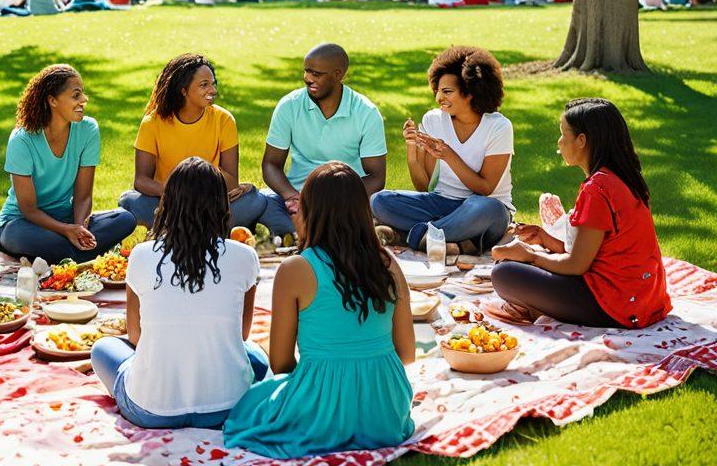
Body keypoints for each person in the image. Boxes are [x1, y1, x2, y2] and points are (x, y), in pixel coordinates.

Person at [224, 162, 415, 457]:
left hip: (321, 412)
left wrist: (327, 379)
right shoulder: (388, 264)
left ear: (312, 211)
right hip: (386, 410)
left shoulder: (295, 269)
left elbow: (281, 363)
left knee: (251, 406)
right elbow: (407, 353)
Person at [91, 157, 269, 428]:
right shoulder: (245, 256)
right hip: (228, 407)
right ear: (223, 206)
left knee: (103, 348)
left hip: (151, 409)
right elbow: (241, 335)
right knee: (255, 354)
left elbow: (136, 335)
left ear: (167, 204)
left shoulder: (141, 255)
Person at [491, 98, 671, 329]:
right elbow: (592, 253)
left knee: (504, 273)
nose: (559, 141)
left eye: (563, 134)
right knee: (519, 265)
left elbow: (576, 265)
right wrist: (544, 239)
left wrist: (530, 255)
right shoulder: (622, 178)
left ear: (582, 140)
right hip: (643, 298)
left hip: (616, 305)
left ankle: (540, 308)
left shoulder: (597, 190)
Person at [371, 46, 513, 256]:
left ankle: (410, 235)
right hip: (441, 204)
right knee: (379, 201)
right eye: (437, 90)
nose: (438, 98)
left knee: (488, 209)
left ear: (471, 92)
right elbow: (424, 188)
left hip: (482, 208)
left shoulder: (498, 127)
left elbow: (485, 188)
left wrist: (448, 155)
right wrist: (412, 150)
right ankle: (456, 240)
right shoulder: (433, 120)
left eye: (447, 91)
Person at [0, 65, 136, 263]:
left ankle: (71, 254)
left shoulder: (88, 130)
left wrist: (79, 229)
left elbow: (83, 195)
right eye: (76, 95)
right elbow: (28, 208)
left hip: (67, 220)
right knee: (36, 240)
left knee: (125, 220)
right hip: (22, 222)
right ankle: (77, 255)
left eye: (82, 94)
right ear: (52, 100)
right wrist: (65, 230)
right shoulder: (22, 139)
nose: (84, 100)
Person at [118, 53, 266, 227]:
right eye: (204, 85)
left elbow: (232, 181)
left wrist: (197, 195)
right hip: (169, 204)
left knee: (254, 198)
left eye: (213, 84)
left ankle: (179, 228)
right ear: (183, 90)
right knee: (130, 201)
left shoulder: (224, 120)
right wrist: (174, 193)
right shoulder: (152, 123)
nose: (213, 91)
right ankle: (201, 228)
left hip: (210, 204)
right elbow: (141, 180)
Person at [259, 44, 387, 235]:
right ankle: (323, 232)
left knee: (378, 204)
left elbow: (376, 177)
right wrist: (292, 197)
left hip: (343, 200)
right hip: (297, 200)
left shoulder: (366, 113)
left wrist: (332, 201)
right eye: (306, 71)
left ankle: (302, 232)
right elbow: (270, 164)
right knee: (259, 202)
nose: (308, 78)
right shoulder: (289, 106)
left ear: (338, 74)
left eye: (316, 74)